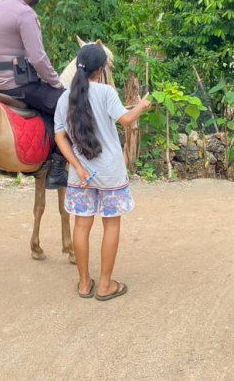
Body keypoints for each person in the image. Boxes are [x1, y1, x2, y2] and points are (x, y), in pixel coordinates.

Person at [54, 44, 152, 301]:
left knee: (81, 225)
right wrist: (141, 105)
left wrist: (76, 166)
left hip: (81, 174)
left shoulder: (64, 98)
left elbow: (59, 136)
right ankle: (106, 285)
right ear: (100, 71)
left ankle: (84, 284)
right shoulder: (106, 92)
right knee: (111, 225)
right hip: (109, 172)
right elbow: (127, 121)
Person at [0, 0, 68, 189]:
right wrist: (56, 83)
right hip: (21, 87)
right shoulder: (25, 14)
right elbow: (38, 58)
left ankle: (6, 162)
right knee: (69, 105)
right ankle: (57, 169)